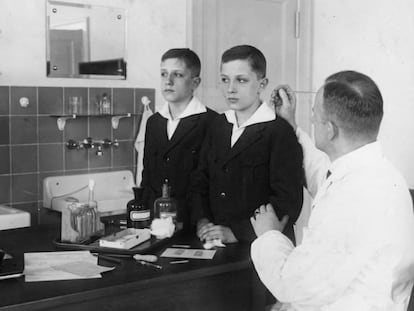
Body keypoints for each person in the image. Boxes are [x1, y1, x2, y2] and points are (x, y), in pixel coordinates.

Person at [250, 70, 414, 310]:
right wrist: (292, 126)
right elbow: (323, 173)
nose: (312, 119)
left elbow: (293, 284)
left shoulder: (350, 198)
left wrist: (269, 235)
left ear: (330, 130)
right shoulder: (380, 174)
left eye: (314, 114)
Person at [191, 45, 303, 244]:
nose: (230, 89)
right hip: (215, 241)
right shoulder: (218, 124)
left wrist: (236, 233)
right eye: (225, 80)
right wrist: (202, 221)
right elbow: (200, 180)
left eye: (241, 80)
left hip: (261, 247)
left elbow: (288, 202)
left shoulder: (279, 131)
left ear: (262, 84)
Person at [141, 48, 217, 232]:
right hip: (157, 223)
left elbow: (210, 180)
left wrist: (200, 220)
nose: (168, 81)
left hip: (194, 223)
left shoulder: (212, 122)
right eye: (164, 74)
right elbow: (148, 175)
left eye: (178, 75)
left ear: (195, 82)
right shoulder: (154, 122)